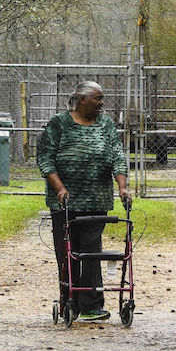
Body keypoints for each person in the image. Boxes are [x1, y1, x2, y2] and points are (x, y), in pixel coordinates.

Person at [38, 81, 130, 322]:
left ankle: (91, 305)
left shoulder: (106, 124)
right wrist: (59, 187)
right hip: (64, 201)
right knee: (66, 252)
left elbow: (117, 156)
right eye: (98, 99)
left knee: (90, 252)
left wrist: (122, 187)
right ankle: (69, 300)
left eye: (102, 98)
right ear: (82, 100)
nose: (102, 103)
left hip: (95, 199)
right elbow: (45, 159)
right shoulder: (58, 124)